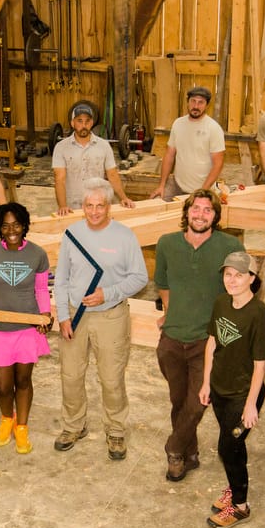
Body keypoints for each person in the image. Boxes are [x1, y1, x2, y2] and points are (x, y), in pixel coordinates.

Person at [153, 189, 244, 481]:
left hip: (208, 340)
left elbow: (242, 287)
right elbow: (163, 283)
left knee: (197, 401)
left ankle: (174, 448)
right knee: (179, 401)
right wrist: (170, 310)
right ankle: (189, 455)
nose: (201, 214)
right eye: (196, 208)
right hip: (171, 338)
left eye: (208, 210)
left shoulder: (230, 246)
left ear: (216, 216)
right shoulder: (167, 244)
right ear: (187, 212)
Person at [54, 179, 148, 459]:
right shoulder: (71, 233)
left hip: (111, 317)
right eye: (89, 205)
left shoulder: (125, 236)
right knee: (70, 376)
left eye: (100, 206)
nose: (94, 211)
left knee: (111, 378)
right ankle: (73, 425)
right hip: (75, 317)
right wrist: (62, 316)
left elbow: (140, 278)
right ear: (81, 207)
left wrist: (108, 293)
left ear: (110, 207)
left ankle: (116, 431)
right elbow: (61, 280)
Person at [199, 251, 265, 528]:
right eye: (228, 274)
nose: (232, 280)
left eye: (239, 275)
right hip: (219, 388)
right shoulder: (221, 303)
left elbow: (260, 364)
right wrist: (206, 382)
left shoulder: (259, 314)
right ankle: (234, 486)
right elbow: (211, 344)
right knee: (232, 446)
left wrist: (251, 404)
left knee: (228, 446)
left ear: (252, 279)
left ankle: (240, 507)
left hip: (243, 394)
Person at [0, 202, 52, 454]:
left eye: (17, 225)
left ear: (24, 226)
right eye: (6, 225)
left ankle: (21, 426)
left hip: (27, 327)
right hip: (0, 328)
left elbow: (41, 289)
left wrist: (44, 314)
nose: (12, 230)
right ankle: (6, 419)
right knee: (2, 385)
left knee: (23, 380)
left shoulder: (37, 254)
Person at [52, 102, 135, 214]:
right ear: (72, 123)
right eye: (79, 121)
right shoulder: (61, 147)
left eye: (87, 121)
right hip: (72, 207)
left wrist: (123, 198)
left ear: (91, 123)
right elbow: (59, 179)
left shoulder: (104, 146)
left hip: (97, 205)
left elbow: (112, 175)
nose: (84, 125)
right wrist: (63, 206)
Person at [150, 86, 226, 200]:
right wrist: (161, 185)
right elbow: (169, 156)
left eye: (201, 102)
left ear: (207, 105)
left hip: (203, 188)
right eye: (193, 101)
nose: (196, 106)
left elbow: (218, 164)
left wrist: (203, 192)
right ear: (187, 102)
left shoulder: (213, 128)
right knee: (155, 202)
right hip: (177, 184)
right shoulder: (178, 124)